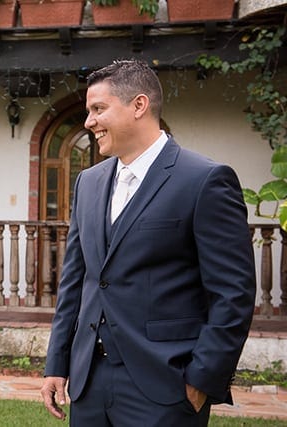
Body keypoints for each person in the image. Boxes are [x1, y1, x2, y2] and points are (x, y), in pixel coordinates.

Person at [40, 60, 256, 426]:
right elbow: (76, 282)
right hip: (88, 383)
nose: (89, 122)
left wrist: (201, 379)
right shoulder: (88, 182)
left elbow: (233, 294)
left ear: (139, 105)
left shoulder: (204, 180)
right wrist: (57, 363)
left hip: (166, 386)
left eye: (98, 109)